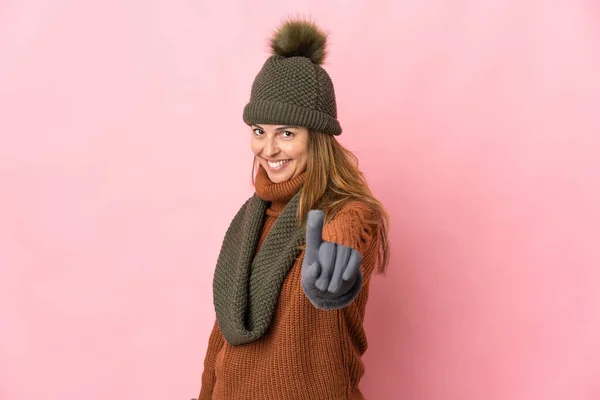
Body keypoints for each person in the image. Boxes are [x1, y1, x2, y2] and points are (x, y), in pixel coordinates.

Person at [197, 18, 390, 400]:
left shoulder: (349, 214)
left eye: (286, 133)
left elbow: (350, 230)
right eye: (258, 131)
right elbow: (223, 333)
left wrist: (337, 258)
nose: (268, 149)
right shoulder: (248, 220)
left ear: (316, 137)